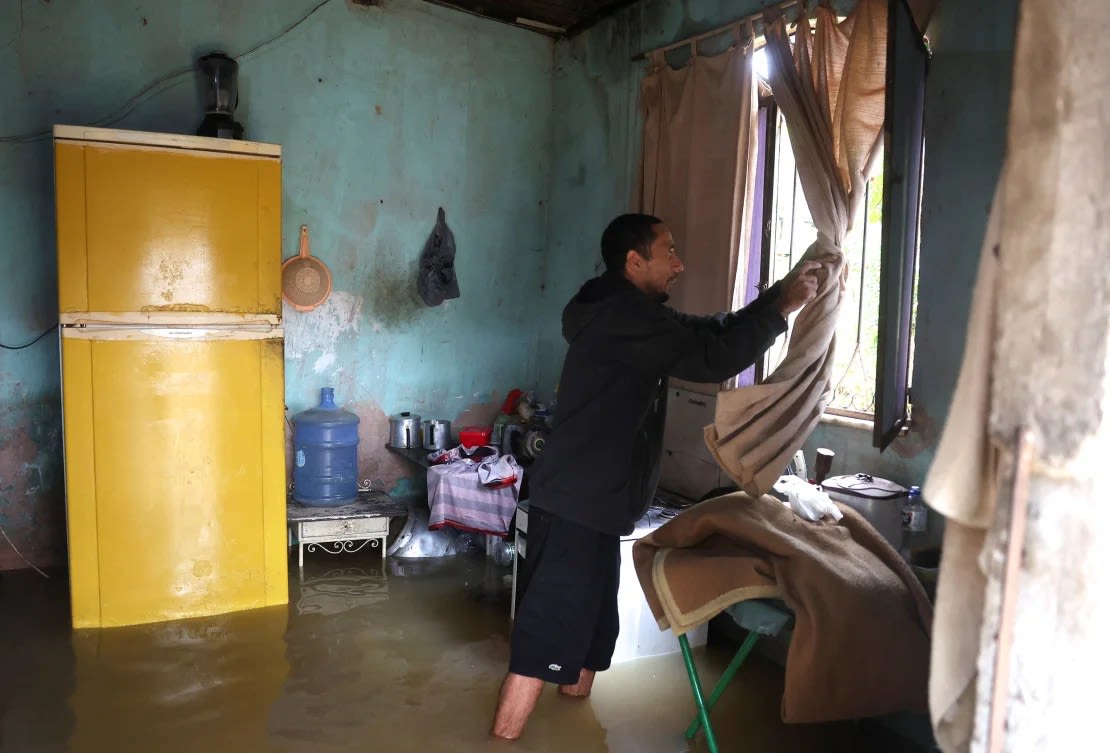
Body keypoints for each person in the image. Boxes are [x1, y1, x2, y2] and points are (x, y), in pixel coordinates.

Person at [490, 213, 820, 740]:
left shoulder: (629, 313)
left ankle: (575, 728)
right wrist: (782, 307)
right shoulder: (622, 316)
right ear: (634, 261)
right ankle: (499, 742)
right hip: (576, 504)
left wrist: (777, 294)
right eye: (669, 252)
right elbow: (713, 357)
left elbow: (708, 330)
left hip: (597, 506)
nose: (679, 263)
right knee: (544, 641)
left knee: (596, 634)